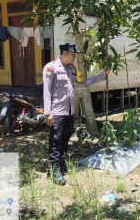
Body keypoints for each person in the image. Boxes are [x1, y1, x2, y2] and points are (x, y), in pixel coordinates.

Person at [43, 43, 108, 185]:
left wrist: (102, 75)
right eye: (73, 55)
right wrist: (48, 112)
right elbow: (47, 91)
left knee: (65, 138)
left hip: (70, 111)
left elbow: (84, 82)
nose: (74, 57)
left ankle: (61, 164)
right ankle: (55, 170)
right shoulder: (51, 68)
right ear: (64, 53)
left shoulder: (72, 69)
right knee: (55, 140)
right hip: (57, 112)